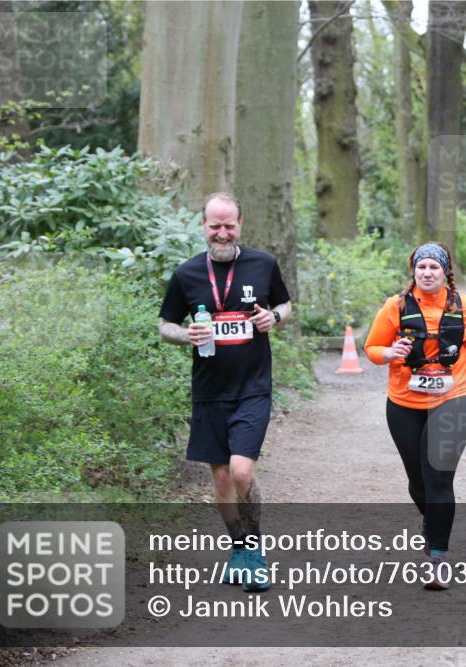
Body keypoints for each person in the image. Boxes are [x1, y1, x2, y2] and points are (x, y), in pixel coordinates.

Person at [158, 192, 291, 592]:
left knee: (241, 470)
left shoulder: (262, 264)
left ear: (240, 224)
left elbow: (285, 305)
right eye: (214, 225)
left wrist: (273, 317)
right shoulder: (186, 274)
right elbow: (164, 326)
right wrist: (186, 334)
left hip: (252, 386)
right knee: (219, 479)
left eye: (228, 225)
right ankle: (238, 551)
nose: (221, 232)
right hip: (209, 390)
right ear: (203, 226)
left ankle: (255, 551)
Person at [364, 242, 466, 590]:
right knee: (419, 482)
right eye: (421, 267)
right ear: (413, 271)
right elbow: (371, 349)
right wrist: (389, 352)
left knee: (439, 478)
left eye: (434, 268)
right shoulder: (394, 307)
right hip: (404, 402)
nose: (427, 273)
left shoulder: (464, 305)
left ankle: (438, 560)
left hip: (453, 398)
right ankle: (433, 522)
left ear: (445, 272)